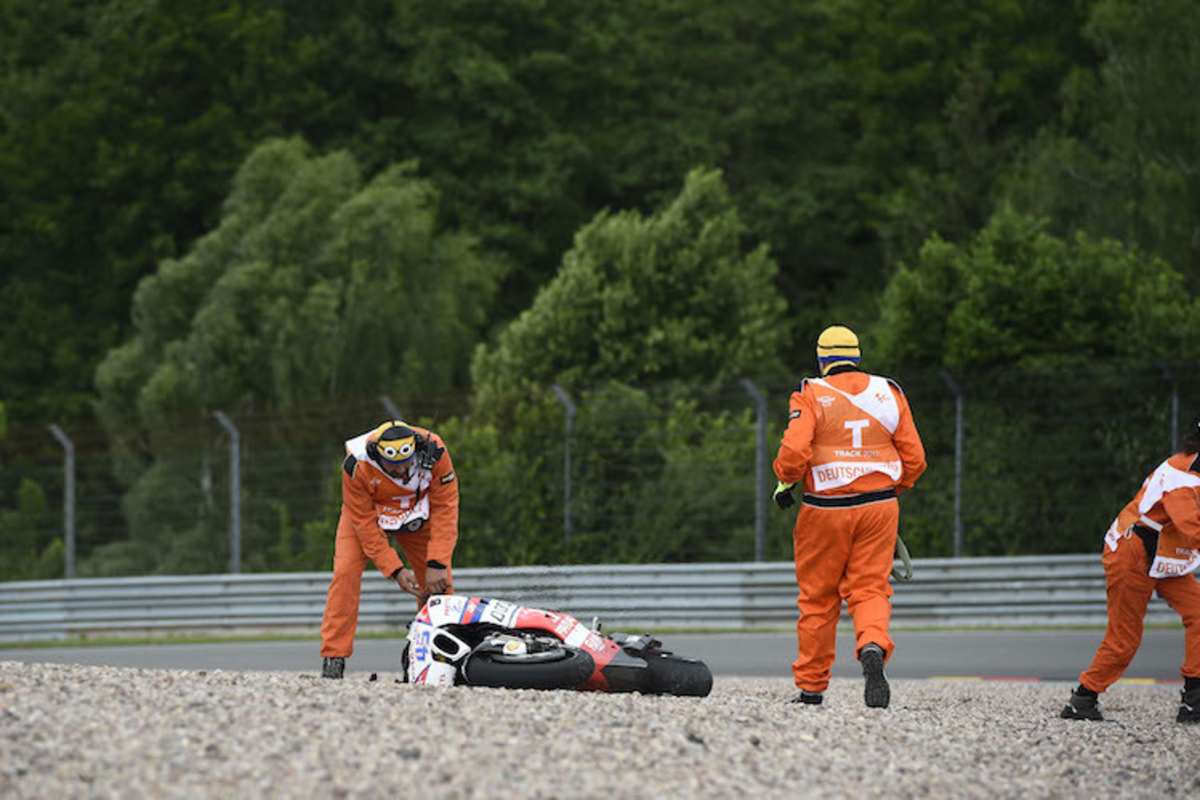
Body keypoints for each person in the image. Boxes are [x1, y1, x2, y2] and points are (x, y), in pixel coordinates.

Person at [772, 325, 926, 708]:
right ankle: (872, 644)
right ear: (857, 356)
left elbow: (792, 454)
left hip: (825, 510)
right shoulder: (889, 392)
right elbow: (916, 461)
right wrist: (890, 489)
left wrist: (786, 479)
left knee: (818, 599)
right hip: (879, 507)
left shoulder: (810, 393)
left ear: (822, 359)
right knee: (870, 589)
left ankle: (811, 689)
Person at [1061, 414, 1200, 724]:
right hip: (1133, 552)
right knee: (1125, 639)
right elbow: (1193, 529)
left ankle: (1194, 698)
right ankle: (1083, 699)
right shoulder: (1184, 475)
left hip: (1164, 555)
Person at [320, 420, 460, 679]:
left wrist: (437, 563)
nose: (402, 470)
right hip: (368, 513)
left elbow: (446, 507)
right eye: (393, 466)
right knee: (345, 574)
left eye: (407, 463)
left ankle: (438, 657)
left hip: (417, 511)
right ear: (377, 456)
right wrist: (394, 570)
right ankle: (334, 657)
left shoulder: (436, 450)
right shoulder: (355, 465)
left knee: (440, 584)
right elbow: (364, 525)